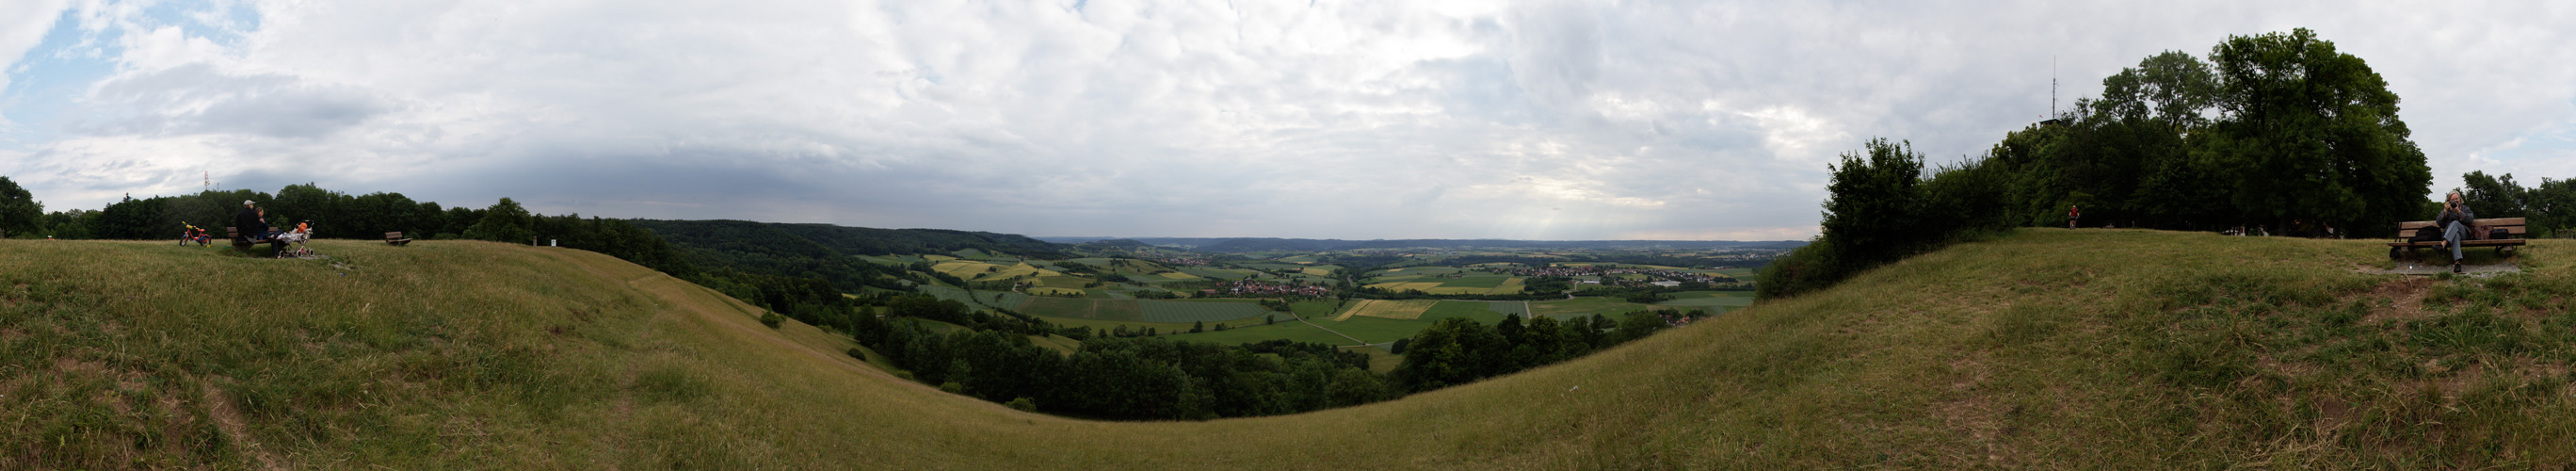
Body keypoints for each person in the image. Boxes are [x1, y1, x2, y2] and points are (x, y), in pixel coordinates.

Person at [2436, 190, 2476, 273]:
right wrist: (2445, 212)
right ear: (2449, 201)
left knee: (2455, 223)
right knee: (2455, 235)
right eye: (2453, 199)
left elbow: (2470, 220)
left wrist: (2459, 212)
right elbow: (2439, 222)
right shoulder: (2447, 209)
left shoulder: (2465, 208)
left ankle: (2442, 245)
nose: (2455, 201)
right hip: (2451, 235)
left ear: (2460, 199)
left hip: (2464, 233)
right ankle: (2457, 264)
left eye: (2456, 199)